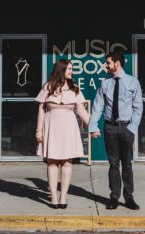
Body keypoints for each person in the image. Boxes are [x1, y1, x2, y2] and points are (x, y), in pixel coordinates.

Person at [88, 50, 143, 210]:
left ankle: (129, 198)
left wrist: (131, 129)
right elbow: (98, 106)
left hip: (126, 127)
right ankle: (114, 197)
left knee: (126, 165)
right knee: (113, 164)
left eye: (108, 63)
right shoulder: (105, 84)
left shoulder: (133, 82)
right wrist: (93, 126)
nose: (106, 65)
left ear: (117, 63)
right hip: (110, 128)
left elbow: (138, 107)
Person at [35, 59, 89, 209]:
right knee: (52, 162)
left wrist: (93, 127)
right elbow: (41, 110)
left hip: (69, 128)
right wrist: (38, 130)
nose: (72, 71)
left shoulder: (75, 88)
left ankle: (63, 195)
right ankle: (53, 196)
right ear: (61, 70)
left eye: (72, 69)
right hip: (51, 126)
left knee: (66, 162)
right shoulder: (48, 87)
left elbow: (81, 111)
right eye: (69, 69)